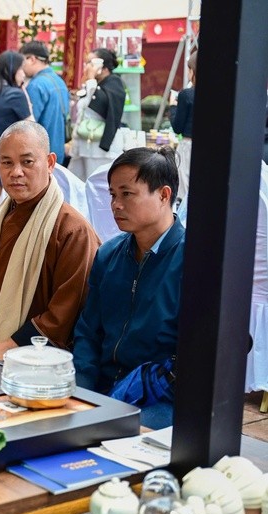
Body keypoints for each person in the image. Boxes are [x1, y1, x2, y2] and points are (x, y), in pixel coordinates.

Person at [0, 121, 100, 359]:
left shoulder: (72, 232)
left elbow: (64, 312)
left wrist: (8, 347)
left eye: (27, 162)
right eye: (7, 162)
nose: (16, 172)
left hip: (38, 359)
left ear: (51, 163)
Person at [73, 147, 184, 429]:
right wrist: (79, 390)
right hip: (102, 386)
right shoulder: (109, 255)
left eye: (127, 194)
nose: (115, 205)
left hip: (159, 397)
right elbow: (88, 331)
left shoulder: (193, 262)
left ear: (164, 195)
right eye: (112, 194)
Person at [0, 50, 33, 212]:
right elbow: (31, 124)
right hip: (14, 152)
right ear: (11, 70)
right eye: (21, 70)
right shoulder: (15, 94)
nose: (23, 74)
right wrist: (23, 91)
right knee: (13, 205)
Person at [68, 48, 126, 181]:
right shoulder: (94, 84)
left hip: (98, 150)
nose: (87, 66)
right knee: (73, 183)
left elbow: (99, 104)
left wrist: (90, 80)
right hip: (83, 146)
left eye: (91, 63)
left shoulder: (114, 83)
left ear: (103, 67)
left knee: (96, 186)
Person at [20, 40, 70, 163]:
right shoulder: (60, 82)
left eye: (22, 61)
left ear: (32, 59)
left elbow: (29, 123)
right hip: (58, 151)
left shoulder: (36, 85)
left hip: (39, 154)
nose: (21, 67)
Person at [170, 51, 197, 205]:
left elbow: (177, 127)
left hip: (188, 145)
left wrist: (173, 107)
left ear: (193, 71)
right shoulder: (218, 94)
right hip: (212, 148)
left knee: (184, 190)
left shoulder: (186, 95)